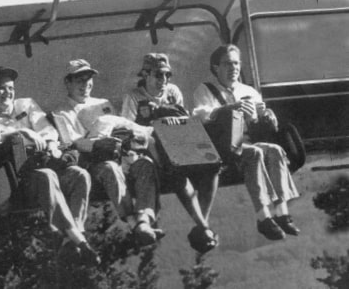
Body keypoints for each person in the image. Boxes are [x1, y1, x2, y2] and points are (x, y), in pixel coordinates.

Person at [0, 66, 99, 265]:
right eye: (1, 89)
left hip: (47, 165)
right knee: (45, 175)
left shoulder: (26, 105)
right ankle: (79, 240)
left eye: (10, 88)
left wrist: (49, 144)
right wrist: (18, 133)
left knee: (79, 174)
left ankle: (71, 237)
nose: (7, 93)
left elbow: (47, 129)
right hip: (22, 183)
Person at [192, 44, 300, 240]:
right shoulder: (205, 89)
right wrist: (230, 108)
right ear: (216, 67)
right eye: (227, 64)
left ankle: (282, 213)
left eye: (236, 63)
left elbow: (258, 121)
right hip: (223, 146)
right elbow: (202, 115)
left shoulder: (248, 90)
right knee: (255, 154)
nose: (233, 68)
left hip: (248, 140)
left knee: (275, 150)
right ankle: (263, 217)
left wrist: (265, 115)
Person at [51, 59, 163, 248]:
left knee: (145, 165)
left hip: (122, 152)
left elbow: (120, 125)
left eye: (88, 79)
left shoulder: (103, 104)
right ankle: (133, 223)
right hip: (93, 162)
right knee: (110, 168)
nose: (85, 85)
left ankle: (145, 219)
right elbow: (73, 143)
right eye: (79, 80)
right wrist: (99, 144)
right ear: (68, 83)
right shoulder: (62, 113)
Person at [122, 53, 220, 254]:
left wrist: (160, 110)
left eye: (168, 75)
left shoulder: (172, 92)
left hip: (177, 141)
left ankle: (203, 222)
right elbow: (127, 128)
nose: (164, 81)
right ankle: (202, 226)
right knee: (175, 170)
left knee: (212, 165)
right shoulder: (133, 97)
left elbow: (182, 116)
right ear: (146, 75)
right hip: (151, 147)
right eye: (159, 75)